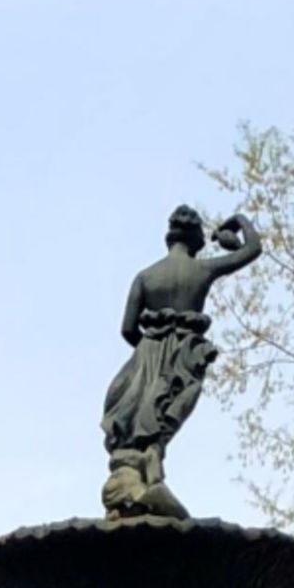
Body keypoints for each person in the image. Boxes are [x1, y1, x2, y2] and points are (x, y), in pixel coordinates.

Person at [100, 206, 264, 517]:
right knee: (166, 413)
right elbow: (253, 249)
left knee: (136, 415)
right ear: (196, 239)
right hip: (185, 354)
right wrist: (238, 221)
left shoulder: (146, 277)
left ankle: (136, 482)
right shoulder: (200, 270)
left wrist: (149, 352)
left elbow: (127, 328)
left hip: (146, 353)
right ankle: (148, 477)